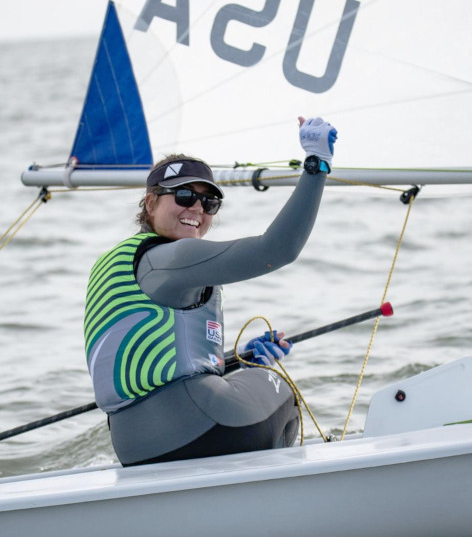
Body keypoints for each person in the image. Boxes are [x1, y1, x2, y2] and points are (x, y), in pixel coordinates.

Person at [83, 116, 338, 466]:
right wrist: (315, 165)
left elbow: (165, 367)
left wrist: (234, 361)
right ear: (150, 202)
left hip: (133, 447)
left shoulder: (124, 262)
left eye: (209, 203)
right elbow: (276, 250)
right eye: (185, 195)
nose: (197, 210)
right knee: (275, 387)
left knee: (244, 375)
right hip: (198, 427)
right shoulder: (170, 258)